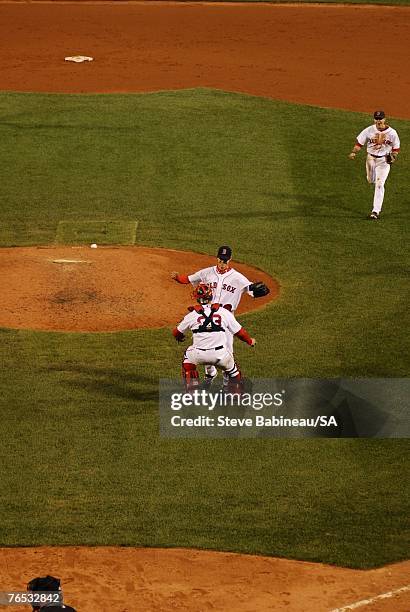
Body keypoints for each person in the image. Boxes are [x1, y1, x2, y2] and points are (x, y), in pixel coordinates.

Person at [171, 245, 268, 385]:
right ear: (217, 258)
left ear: (230, 260)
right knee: (206, 346)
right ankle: (210, 374)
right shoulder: (207, 273)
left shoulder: (238, 278)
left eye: (225, 261)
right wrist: (177, 278)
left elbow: (253, 291)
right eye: (220, 260)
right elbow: (188, 278)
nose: (222, 264)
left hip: (226, 321)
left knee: (227, 354)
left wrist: (258, 291)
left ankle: (226, 384)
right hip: (206, 317)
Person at [172, 283, 256, 391]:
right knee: (234, 372)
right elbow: (240, 332)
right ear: (211, 297)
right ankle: (235, 395)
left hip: (199, 354)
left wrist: (180, 337)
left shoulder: (192, 315)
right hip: (221, 355)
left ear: (197, 298)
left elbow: (176, 332)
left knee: (187, 361)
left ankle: (192, 392)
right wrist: (250, 341)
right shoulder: (223, 312)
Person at [348, 110, 400, 220]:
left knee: (380, 184)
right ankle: (372, 179)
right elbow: (359, 143)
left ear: (385, 119)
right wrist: (353, 152)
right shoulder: (369, 130)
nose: (378, 121)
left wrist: (393, 157)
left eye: (380, 118)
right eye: (376, 119)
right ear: (374, 119)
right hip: (370, 159)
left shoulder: (392, 133)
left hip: (384, 161)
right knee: (370, 180)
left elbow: (396, 149)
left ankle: (375, 211)